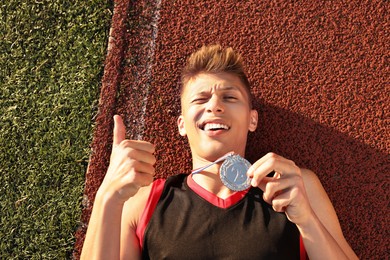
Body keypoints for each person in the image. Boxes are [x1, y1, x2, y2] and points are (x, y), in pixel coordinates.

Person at [81, 45, 358, 259]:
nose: (214, 106)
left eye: (229, 97)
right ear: (182, 124)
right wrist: (108, 197)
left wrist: (307, 220)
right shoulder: (144, 203)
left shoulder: (294, 188)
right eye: (200, 99)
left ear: (252, 119)